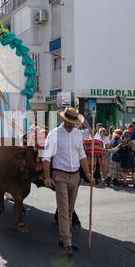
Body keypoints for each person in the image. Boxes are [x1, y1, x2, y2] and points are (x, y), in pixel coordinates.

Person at [42, 107, 93, 256]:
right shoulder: (54, 134)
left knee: (70, 209)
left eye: (74, 122)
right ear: (63, 119)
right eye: (69, 121)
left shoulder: (78, 134)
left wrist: (88, 174)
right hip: (60, 176)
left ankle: (63, 237)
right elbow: (46, 158)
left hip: (75, 176)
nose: (72, 124)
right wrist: (47, 177)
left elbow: (82, 156)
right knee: (63, 209)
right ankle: (67, 241)